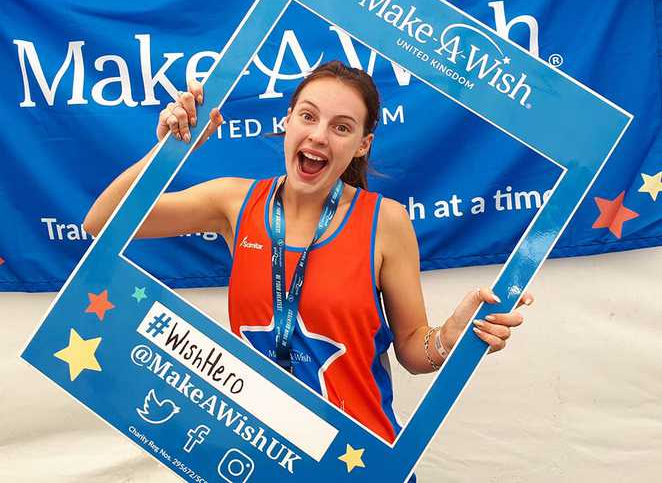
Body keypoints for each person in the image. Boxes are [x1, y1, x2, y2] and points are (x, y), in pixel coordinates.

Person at [84, 60, 533, 445]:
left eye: (342, 127)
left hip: (360, 460)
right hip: (260, 454)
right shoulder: (234, 203)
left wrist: (449, 340)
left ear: (362, 144)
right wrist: (171, 150)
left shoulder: (387, 223)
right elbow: (101, 222)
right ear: (288, 121)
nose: (319, 136)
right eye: (308, 116)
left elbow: (414, 353)